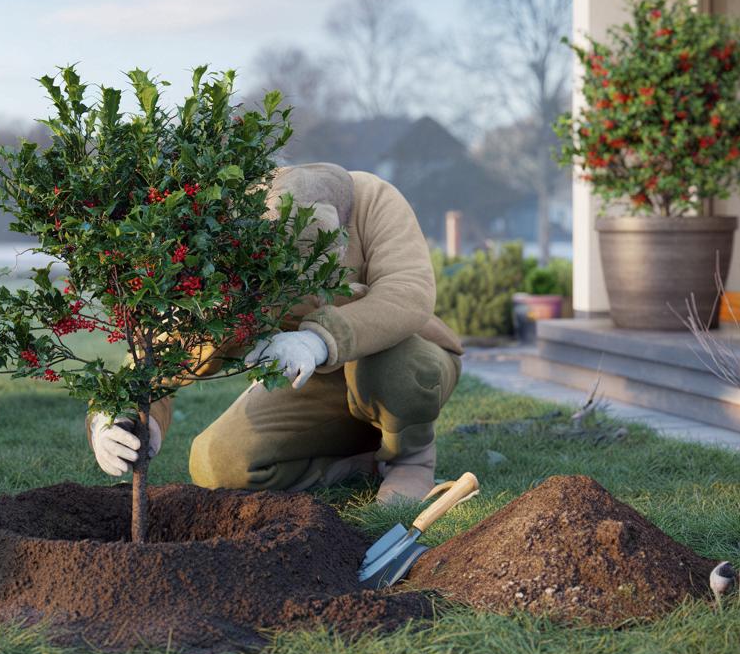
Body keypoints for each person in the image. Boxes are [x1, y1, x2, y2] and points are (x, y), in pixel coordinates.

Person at [88, 162, 463, 504]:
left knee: (397, 369)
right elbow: (171, 342)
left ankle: (409, 461)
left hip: (397, 358)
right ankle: (360, 466)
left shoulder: (375, 199)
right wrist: (118, 415)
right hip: (308, 377)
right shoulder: (238, 237)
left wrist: (317, 339)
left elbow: (408, 294)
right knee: (219, 463)